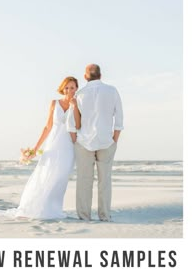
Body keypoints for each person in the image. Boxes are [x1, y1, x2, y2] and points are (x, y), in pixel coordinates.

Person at [14, 76, 80, 219]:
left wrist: (74, 106)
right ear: (62, 88)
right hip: (52, 144)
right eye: (66, 87)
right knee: (44, 174)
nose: (69, 90)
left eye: (72, 87)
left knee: (60, 178)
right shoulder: (54, 103)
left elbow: (79, 126)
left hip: (68, 146)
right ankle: (35, 206)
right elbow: (48, 127)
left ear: (77, 89)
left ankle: (52, 209)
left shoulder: (79, 103)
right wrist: (35, 148)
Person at [67, 64, 124, 221]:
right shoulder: (112, 91)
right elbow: (119, 119)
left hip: (84, 143)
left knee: (84, 181)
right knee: (105, 181)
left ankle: (84, 216)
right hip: (107, 142)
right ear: (100, 75)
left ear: (86, 77)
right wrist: (114, 140)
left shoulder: (80, 94)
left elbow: (72, 124)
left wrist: (75, 142)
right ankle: (104, 216)